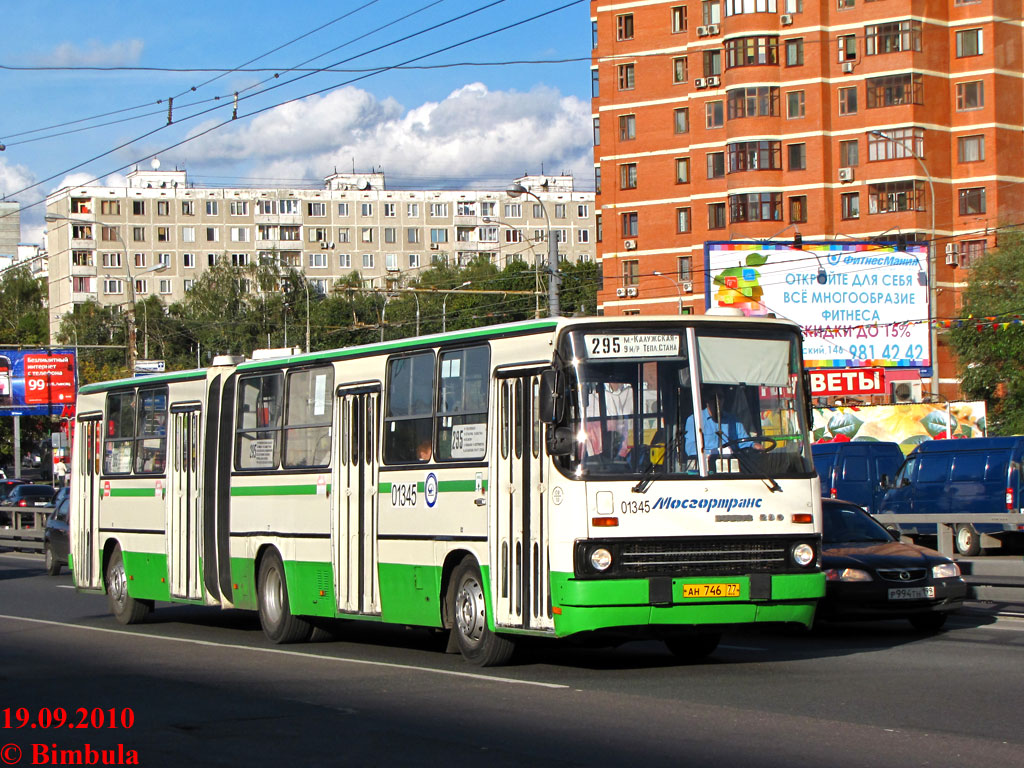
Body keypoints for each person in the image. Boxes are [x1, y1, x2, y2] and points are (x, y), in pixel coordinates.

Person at [684, 385, 752, 457]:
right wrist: (713, 452)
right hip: (705, 465)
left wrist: (754, 445)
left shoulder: (733, 420)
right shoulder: (695, 420)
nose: (717, 401)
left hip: (731, 464)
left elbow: (745, 442)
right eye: (713, 398)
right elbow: (690, 449)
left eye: (720, 397)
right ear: (706, 399)